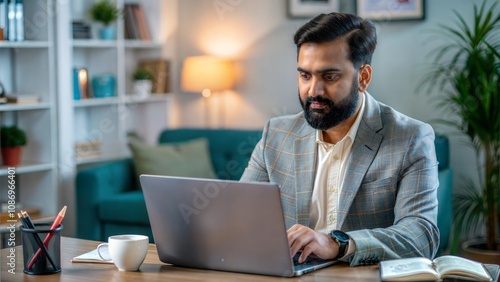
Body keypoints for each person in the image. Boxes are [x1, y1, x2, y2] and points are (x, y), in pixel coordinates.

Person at [240, 12, 439, 267]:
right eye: (305, 76)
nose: (314, 91)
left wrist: (337, 244)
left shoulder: (410, 138)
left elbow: (421, 237)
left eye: (329, 77)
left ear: (363, 78)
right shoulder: (276, 135)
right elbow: (241, 217)